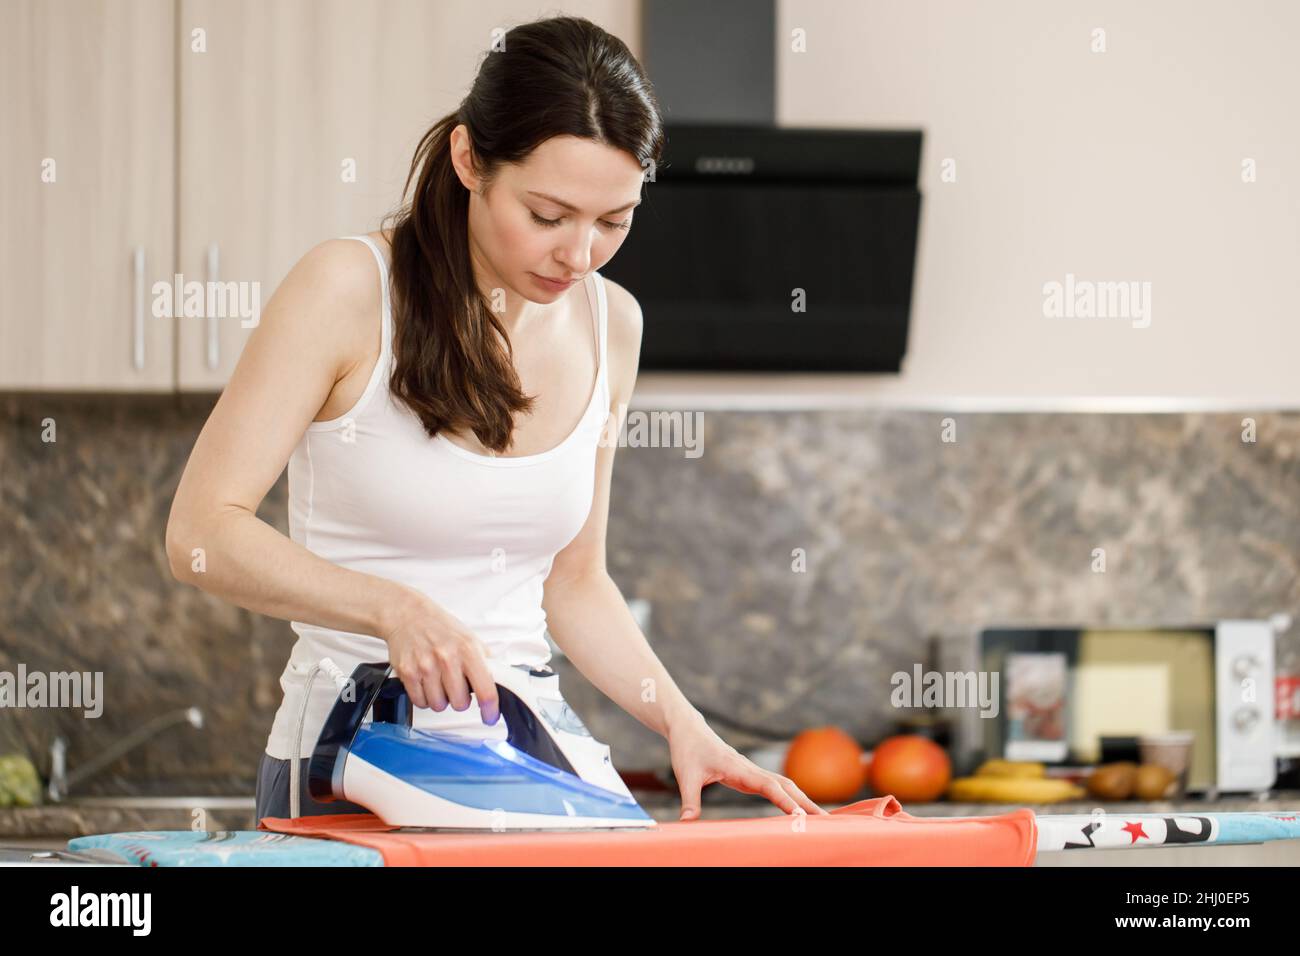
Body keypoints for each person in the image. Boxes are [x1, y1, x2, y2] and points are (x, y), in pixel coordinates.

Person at [165, 14, 825, 824]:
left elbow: (575, 583)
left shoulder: (613, 323)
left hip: (526, 738)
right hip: (353, 752)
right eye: (549, 216)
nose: (579, 255)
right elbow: (201, 534)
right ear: (470, 158)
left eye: (613, 221)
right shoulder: (347, 292)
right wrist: (391, 608)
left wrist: (681, 722)